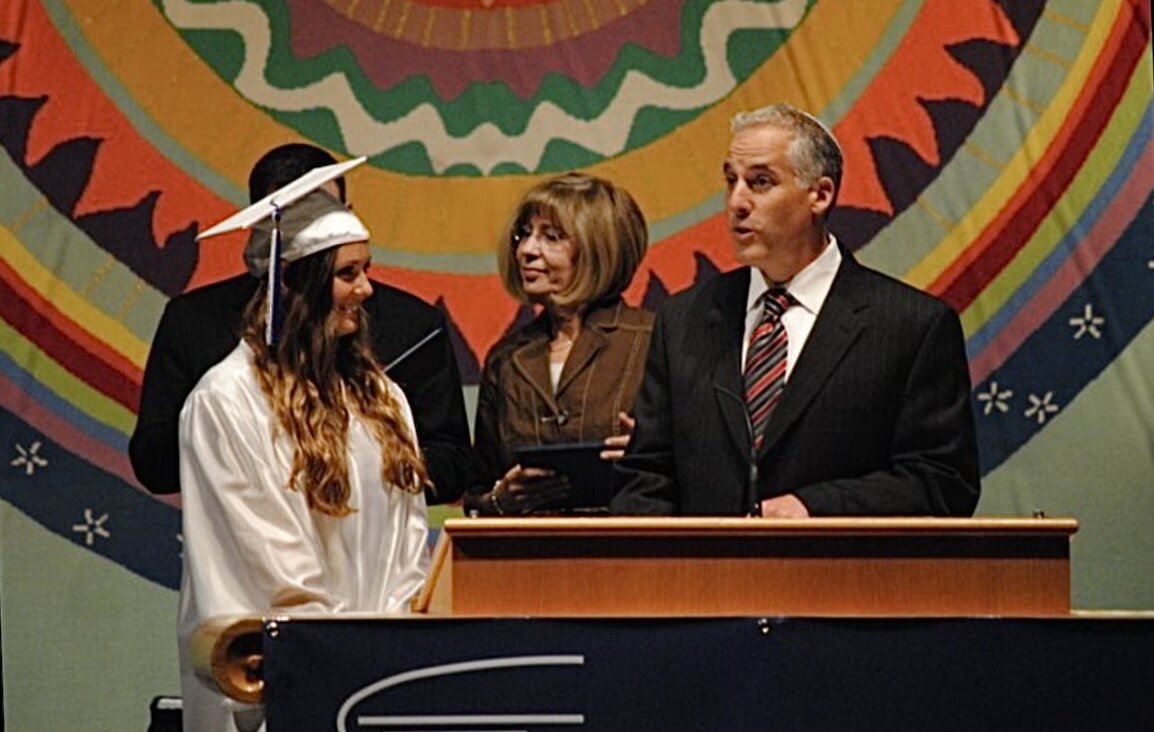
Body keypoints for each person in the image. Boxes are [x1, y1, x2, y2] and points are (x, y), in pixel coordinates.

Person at [610, 102, 980, 517]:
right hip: (705, 577)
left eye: (760, 182)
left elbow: (942, 481)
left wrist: (814, 508)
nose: (736, 202)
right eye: (731, 181)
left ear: (820, 195)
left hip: (841, 575)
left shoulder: (911, 326)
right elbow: (648, 476)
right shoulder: (685, 319)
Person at [178, 190, 429, 732]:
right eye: (348, 273)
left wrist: (396, 655)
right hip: (288, 684)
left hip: (380, 685)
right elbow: (271, 564)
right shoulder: (227, 402)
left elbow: (409, 549)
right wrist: (339, 665)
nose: (366, 289)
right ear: (294, 284)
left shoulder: (382, 399)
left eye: (367, 269)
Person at [129, 144, 471, 504]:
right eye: (298, 219)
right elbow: (154, 464)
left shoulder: (412, 330)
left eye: (325, 214)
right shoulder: (200, 334)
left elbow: (452, 463)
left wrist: (354, 465)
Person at [464, 172, 653, 516]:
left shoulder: (653, 340)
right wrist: (500, 499)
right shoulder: (506, 359)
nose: (526, 250)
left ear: (600, 249)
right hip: (527, 559)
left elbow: (704, 463)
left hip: (629, 552)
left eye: (551, 237)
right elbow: (477, 490)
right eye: (524, 234)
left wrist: (654, 457)